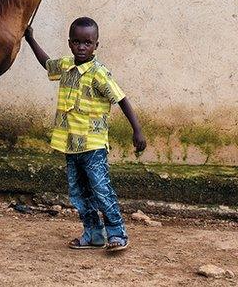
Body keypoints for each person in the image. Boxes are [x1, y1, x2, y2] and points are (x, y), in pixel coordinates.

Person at [24, 17, 146, 252]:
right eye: (77, 42)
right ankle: (93, 234)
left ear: (96, 45)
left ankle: (117, 233)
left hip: (93, 145)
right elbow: (47, 63)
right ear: (70, 43)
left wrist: (137, 129)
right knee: (79, 193)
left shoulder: (99, 73)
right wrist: (30, 39)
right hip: (71, 146)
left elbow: (121, 99)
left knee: (101, 189)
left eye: (87, 43)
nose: (82, 47)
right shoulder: (67, 66)